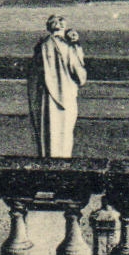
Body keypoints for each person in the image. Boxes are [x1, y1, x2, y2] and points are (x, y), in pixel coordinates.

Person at [28, 14, 87, 157]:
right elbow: (80, 76)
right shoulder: (67, 47)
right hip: (65, 96)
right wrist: (76, 45)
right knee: (63, 132)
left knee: (47, 132)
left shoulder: (41, 46)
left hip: (44, 97)